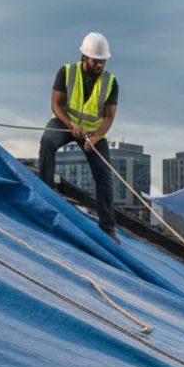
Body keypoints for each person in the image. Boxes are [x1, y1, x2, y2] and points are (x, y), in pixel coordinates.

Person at [37, 32, 119, 240]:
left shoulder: (111, 82)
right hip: (66, 123)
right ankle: (45, 197)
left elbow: (109, 117)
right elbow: (56, 104)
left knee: (104, 173)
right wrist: (71, 125)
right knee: (48, 141)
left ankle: (108, 227)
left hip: (92, 132)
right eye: (96, 61)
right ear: (84, 57)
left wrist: (96, 137)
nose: (100, 65)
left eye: (103, 61)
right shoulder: (66, 72)